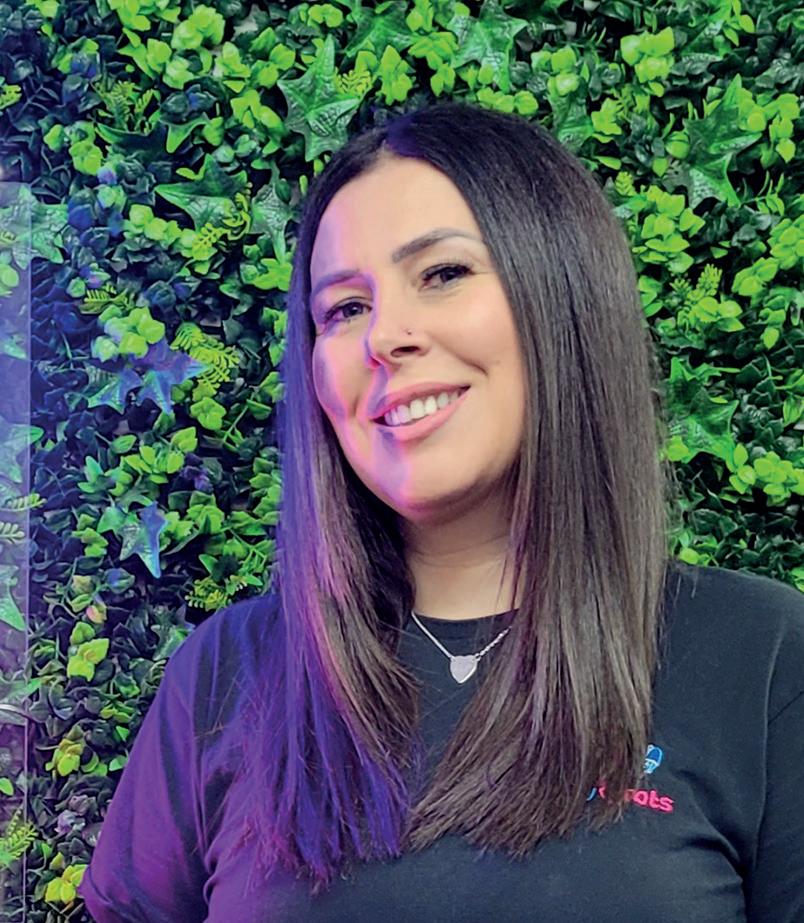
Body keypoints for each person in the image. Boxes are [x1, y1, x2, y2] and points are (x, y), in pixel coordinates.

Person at [79, 101, 804, 922]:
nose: (385, 336)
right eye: (343, 308)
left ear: (564, 296)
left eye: (443, 273)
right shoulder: (225, 673)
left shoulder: (764, 659)